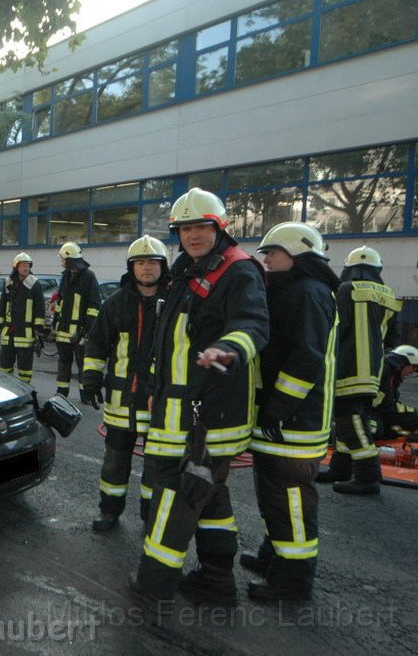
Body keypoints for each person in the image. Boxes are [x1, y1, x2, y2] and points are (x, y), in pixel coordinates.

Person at [129, 188, 268, 609]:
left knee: (178, 494)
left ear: (219, 227)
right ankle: (216, 581)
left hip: (207, 415)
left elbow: (253, 324)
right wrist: (155, 391)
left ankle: (154, 587)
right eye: (185, 228)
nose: (192, 235)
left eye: (201, 227)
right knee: (212, 495)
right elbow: (167, 343)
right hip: (178, 409)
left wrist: (230, 348)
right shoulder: (188, 271)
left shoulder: (238, 271)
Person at [241, 222, 339, 602]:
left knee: (291, 500)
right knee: (274, 496)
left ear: (298, 255)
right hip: (283, 420)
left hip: (295, 424)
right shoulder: (293, 290)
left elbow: (304, 360)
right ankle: (275, 555)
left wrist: (276, 409)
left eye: (273, 254)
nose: (266, 261)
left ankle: (294, 579)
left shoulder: (307, 294)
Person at [82, 235, 169, 532]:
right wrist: (91, 380)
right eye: (140, 262)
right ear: (131, 268)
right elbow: (96, 345)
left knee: (156, 469)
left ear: (163, 266)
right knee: (114, 463)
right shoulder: (115, 304)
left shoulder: (173, 303)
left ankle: (151, 518)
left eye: (152, 262)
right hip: (121, 403)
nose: (146, 268)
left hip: (158, 404)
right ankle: (109, 511)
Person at [318, 246, 402, 495]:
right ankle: (340, 468)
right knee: (352, 420)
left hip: (348, 366)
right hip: (375, 369)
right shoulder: (389, 295)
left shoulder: (345, 290)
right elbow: (392, 339)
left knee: (350, 418)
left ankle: (368, 475)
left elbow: (335, 327)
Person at [53, 242, 101, 398]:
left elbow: (94, 307)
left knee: (83, 364)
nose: (62, 262)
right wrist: (55, 322)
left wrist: (86, 330)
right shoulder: (65, 276)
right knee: (63, 363)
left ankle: (85, 394)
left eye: (63, 259)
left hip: (80, 333)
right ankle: (62, 393)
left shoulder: (88, 277)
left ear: (70, 259)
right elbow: (60, 302)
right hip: (63, 331)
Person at [0, 253, 45, 384]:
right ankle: (6, 388)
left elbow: (40, 307)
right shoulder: (8, 282)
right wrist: (0, 322)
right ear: (16, 267)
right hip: (9, 332)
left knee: (25, 368)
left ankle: (25, 389)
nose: (25, 268)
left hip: (26, 333)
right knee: (5, 364)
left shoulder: (34, 284)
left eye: (28, 265)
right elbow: (3, 304)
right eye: (23, 265)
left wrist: (38, 328)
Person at [370, 345, 418, 441]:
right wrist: (409, 411)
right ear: (404, 362)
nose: (413, 372)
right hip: (366, 411)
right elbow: (381, 403)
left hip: (377, 412)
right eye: (413, 367)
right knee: (376, 428)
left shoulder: (393, 376)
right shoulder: (383, 370)